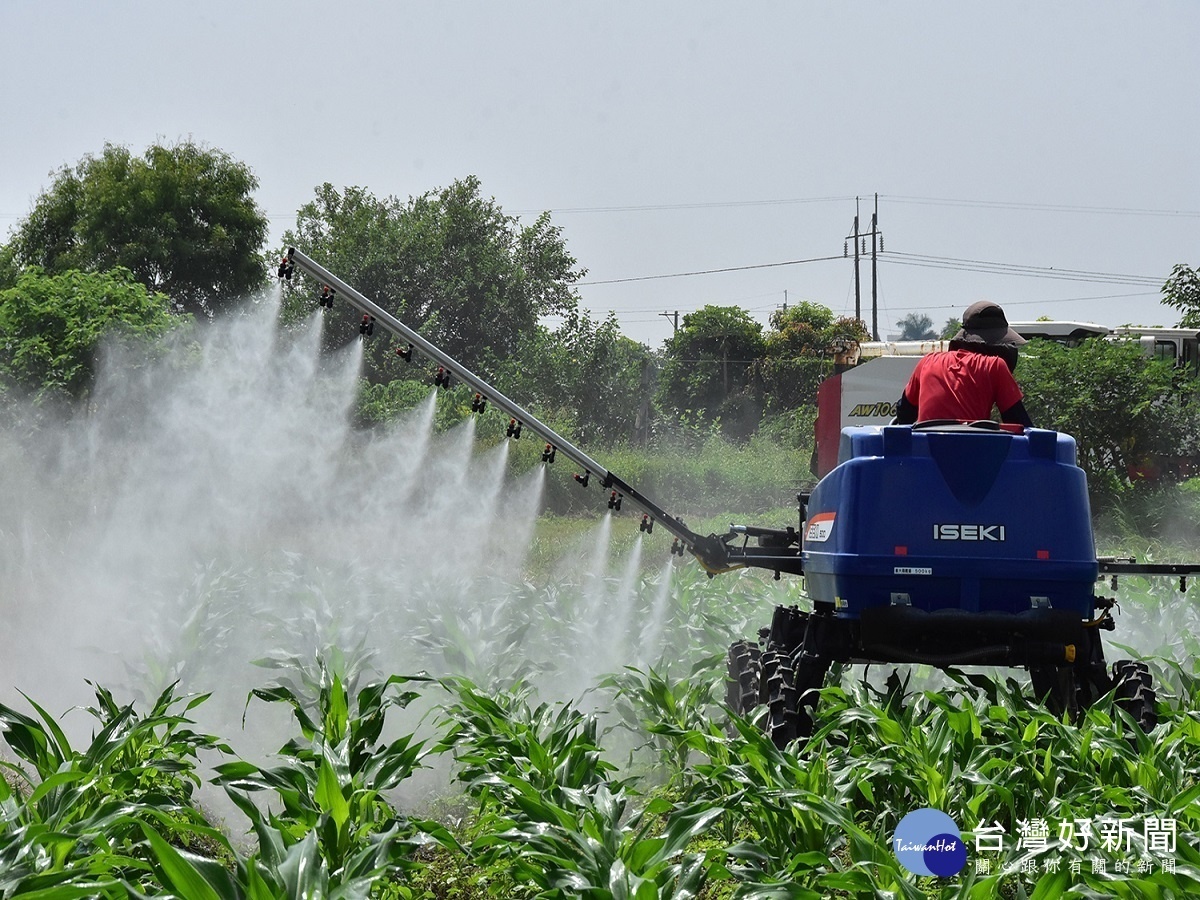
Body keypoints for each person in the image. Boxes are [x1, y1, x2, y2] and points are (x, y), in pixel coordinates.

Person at [894, 300, 1033, 427]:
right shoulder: (995, 366)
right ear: (997, 344)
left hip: (928, 450)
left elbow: (904, 413)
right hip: (973, 451)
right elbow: (1019, 422)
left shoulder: (927, 362)